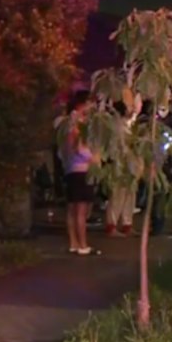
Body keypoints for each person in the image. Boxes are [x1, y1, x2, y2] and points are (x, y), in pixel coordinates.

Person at [61, 91, 102, 255]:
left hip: (72, 168)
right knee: (81, 209)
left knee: (73, 208)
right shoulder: (76, 122)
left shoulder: (70, 122)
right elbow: (77, 147)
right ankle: (82, 244)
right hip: (81, 169)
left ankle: (74, 243)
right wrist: (93, 158)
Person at [104, 100, 141, 236]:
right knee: (117, 194)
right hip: (119, 163)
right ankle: (112, 225)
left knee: (130, 193)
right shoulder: (115, 125)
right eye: (129, 107)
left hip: (131, 163)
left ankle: (127, 223)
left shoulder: (129, 124)